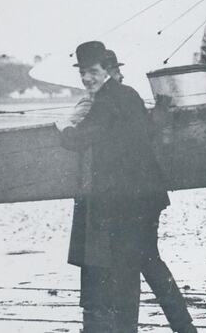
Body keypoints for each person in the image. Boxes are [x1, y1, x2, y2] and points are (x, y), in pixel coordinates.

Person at [57, 41, 197, 333]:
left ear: (107, 70)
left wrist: (64, 128)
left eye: (92, 71)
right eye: (83, 72)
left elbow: (79, 139)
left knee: (126, 271)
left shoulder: (106, 102)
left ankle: (132, 329)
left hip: (125, 201)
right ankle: (184, 327)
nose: (87, 78)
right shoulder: (129, 94)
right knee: (149, 261)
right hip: (148, 196)